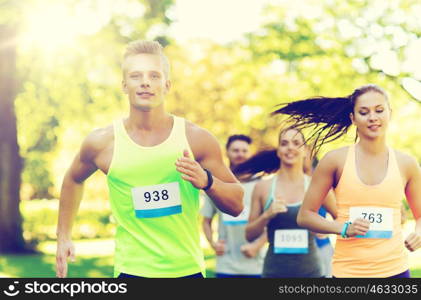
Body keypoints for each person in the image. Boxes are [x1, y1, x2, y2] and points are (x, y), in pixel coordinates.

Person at [55, 40, 244, 278]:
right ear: (124, 85)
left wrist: (207, 181)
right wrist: (63, 236)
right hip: (130, 272)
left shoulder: (196, 139)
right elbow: (73, 179)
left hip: (188, 271)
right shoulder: (101, 143)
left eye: (154, 75)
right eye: (136, 75)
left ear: (167, 85)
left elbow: (237, 204)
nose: (145, 82)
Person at [274, 84, 421, 278]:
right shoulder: (335, 160)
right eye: (363, 112)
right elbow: (305, 216)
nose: (373, 117)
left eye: (379, 110)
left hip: (395, 272)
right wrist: (343, 228)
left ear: (389, 113)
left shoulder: (407, 163)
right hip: (348, 273)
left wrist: (419, 233)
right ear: (353, 118)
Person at [237, 127, 336, 278]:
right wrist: (267, 215)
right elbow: (249, 235)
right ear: (279, 151)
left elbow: (343, 222)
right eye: (284, 143)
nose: (290, 147)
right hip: (273, 273)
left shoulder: (317, 186)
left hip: (312, 274)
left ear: (304, 151)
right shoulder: (263, 187)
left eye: (296, 143)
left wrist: (324, 228)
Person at [201, 134, 266, 278]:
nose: (240, 154)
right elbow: (206, 221)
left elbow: (272, 221)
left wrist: (257, 246)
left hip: (255, 266)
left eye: (244, 151)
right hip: (226, 266)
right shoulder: (216, 184)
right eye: (236, 150)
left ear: (250, 153)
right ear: (227, 153)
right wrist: (213, 243)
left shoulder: (261, 184)